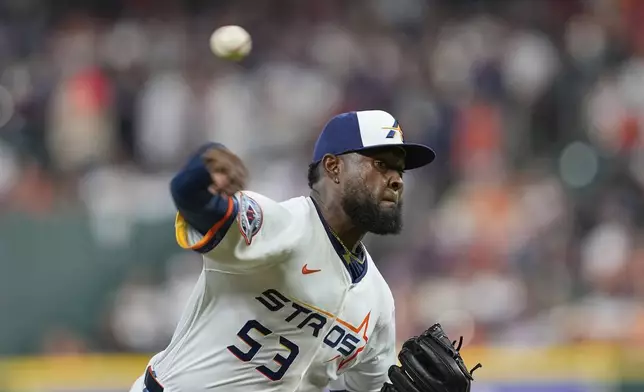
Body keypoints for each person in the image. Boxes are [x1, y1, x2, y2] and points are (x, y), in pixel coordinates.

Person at [129, 110, 476, 392]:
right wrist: (201, 172)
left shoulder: (379, 302)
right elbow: (194, 202)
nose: (397, 179)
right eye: (380, 163)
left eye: (399, 168)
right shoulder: (279, 225)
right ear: (333, 167)